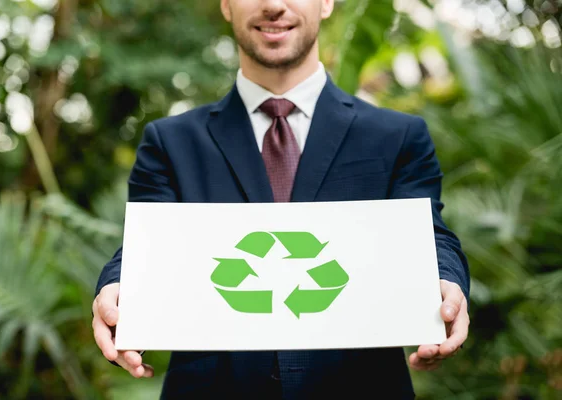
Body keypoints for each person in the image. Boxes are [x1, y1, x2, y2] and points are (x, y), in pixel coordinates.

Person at [92, 0, 471, 398]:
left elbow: (428, 236)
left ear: (327, 3)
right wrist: (116, 287)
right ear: (225, 4)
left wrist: (446, 282)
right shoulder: (170, 142)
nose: (274, 5)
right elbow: (146, 248)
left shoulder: (397, 137)